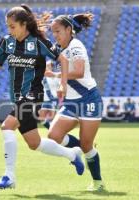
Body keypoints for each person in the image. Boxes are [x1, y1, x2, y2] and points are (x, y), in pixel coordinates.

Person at [0, 4, 84, 189]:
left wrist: (63, 84)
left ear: (24, 24)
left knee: (7, 126)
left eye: (12, 26)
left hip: (33, 95)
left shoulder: (39, 42)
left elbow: (63, 60)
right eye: (8, 26)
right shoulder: (6, 42)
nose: (10, 30)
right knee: (35, 143)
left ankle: (9, 177)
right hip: (17, 98)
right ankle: (72, 154)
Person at [46, 13, 106, 191]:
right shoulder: (57, 49)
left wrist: (55, 75)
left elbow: (79, 72)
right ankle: (84, 152)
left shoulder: (76, 45)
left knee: (87, 144)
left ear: (68, 29)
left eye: (58, 31)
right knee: (53, 136)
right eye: (52, 32)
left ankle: (98, 182)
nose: (55, 35)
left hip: (88, 99)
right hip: (71, 102)